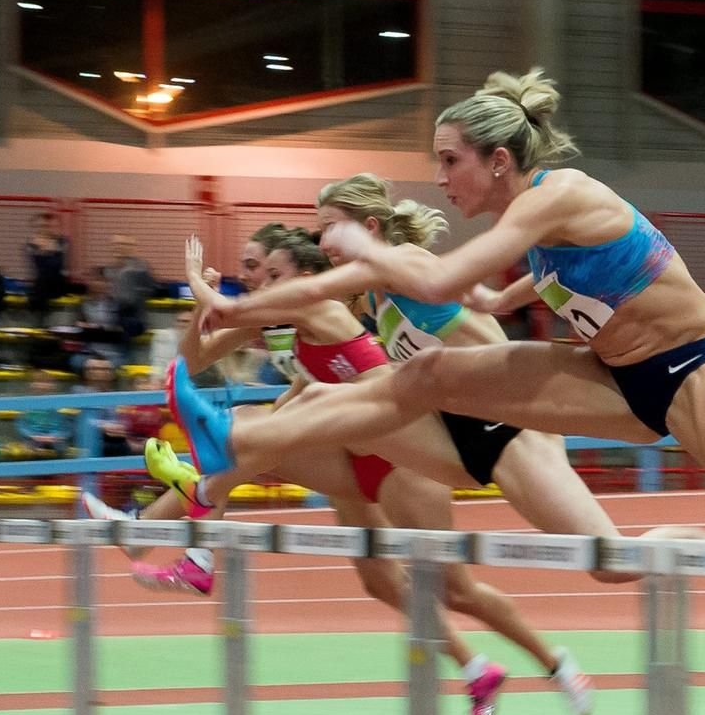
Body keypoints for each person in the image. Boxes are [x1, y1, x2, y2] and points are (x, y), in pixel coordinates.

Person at [165, 69, 705, 548]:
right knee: (432, 372)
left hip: (696, 371)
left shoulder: (560, 197)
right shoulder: (534, 229)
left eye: (450, 163)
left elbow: (445, 285)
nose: (443, 181)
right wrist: (237, 307)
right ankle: (235, 436)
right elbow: (504, 289)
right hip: (612, 377)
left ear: (498, 158)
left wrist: (369, 249)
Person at [137, 230, 591, 715]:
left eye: (266, 270)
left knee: (454, 587)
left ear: (304, 279)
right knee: (374, 576)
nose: (256, 278)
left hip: (399, 457)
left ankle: (556, 662)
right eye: (253, 270)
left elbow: (284, 369)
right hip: (354, 452)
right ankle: (476, 669)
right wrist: (207, 310)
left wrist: (200, 284)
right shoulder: (277, 324)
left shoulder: (320, 309)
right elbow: (190, 359)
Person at [161, 173, 639, 588]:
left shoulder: (410, 262)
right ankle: (218, 467)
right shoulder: (369, 297)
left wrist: (214, 296)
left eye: (330, 229)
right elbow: (301, 295)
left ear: (369, 229)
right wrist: (212, 305)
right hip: (450, 432)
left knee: (611, 563)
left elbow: (312, 290)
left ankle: (703, 542)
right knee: (328, 400)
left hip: (510, 432)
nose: (323, 244)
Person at [24, 213, 69, 325]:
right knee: (41, 282)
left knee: (46, 278)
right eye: (39, 227)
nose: (42, 230)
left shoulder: (63, 242)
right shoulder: (30, 245)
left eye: (45, 226)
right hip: (41, 288)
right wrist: (50, 251)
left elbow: (57, 265)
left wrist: (43, 251)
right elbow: (40, 267)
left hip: (57, 285)